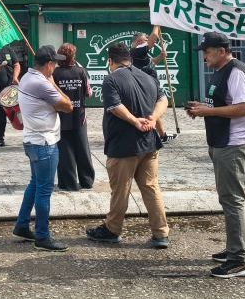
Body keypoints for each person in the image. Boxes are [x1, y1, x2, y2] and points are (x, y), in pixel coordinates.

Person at [187, 32, 245, 279]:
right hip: (224, 142)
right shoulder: (223, 70)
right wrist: (203, 108)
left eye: (208, 52)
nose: (205, 57)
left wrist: (207, 113)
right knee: (230, 199)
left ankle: (239, 261)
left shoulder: (236, 72)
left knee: (232, 200)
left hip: (234, 144)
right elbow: (225, 102)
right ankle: (240, 248)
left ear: (221, 50)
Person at [86, 43, 170, 248]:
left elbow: (115, 107)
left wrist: (134, 121)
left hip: (124, 145)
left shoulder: (111, 79)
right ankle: (161, 233)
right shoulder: (147, 77)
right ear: (130, 59)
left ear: (110, 61)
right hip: (149, 143)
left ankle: (112, 229)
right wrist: (152, 118)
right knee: (151, 187)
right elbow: (163, 100)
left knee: (121, 190)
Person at [12, 45, 73, 252]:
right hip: (44, 143)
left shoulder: (28, 78)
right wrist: (54, 84)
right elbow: (68, 106)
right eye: (54, 63)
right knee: (44, 190)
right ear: (48, 65)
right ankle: (42, 236)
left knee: (35, 184)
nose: (56, 66)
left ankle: (21, 225)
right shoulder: (42, 83)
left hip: (33, 140)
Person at [52, 43, 95, 191]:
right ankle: (87, 181)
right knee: (83, 149)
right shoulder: (81, 71)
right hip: (80, 117)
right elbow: (89, 93)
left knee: (65, 151)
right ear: (72, 57)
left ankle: (68, 183)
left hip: (61, 117)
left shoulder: (55, 74)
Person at [131, 32, 176, 144]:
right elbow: (152, 41)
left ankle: (162, 135)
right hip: (148, 88)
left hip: (151, 86)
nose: (147, 40)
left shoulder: (140, 54)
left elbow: (151, 63)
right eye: (145, 39)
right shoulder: (136, 51)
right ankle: (154, 134)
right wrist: (156, 25)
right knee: (160, 104)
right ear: (139, 42)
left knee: (153, 111)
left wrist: (161, 56)